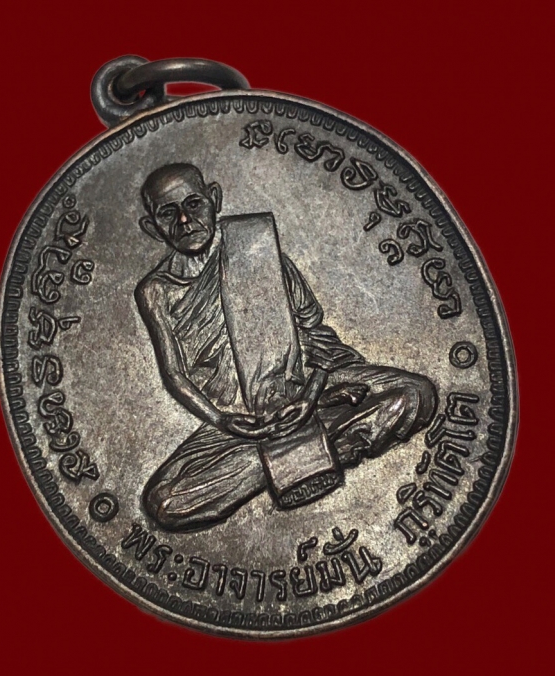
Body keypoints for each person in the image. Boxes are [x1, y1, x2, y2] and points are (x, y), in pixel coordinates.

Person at [135, 163, 437, 532]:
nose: (184, 221)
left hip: (306, 389)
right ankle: (300, 450)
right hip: (239, 422)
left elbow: (313, 331)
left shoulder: (256, 245)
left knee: (416, 393)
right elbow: (174, 375)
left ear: (214, 199)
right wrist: (223, 420)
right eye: (168, 213)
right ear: (152, 227)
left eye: (193, 204)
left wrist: (310, 396)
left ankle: (299, 446)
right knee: (164, 502)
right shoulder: (156, 291)